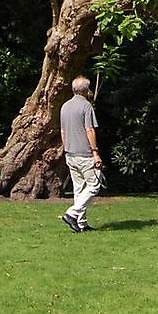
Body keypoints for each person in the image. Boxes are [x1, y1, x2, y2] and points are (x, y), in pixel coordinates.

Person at [59, 74, 103, 233]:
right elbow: (89, 130)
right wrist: (95, 152)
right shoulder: (86, 106)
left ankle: (81, 223)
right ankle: (72, 213)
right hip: (85, 154)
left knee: (79, 189)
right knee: (94, 185)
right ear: (86, 90)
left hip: (70, 153)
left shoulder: (65, 107)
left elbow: (63, 132)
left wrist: (66, 150)